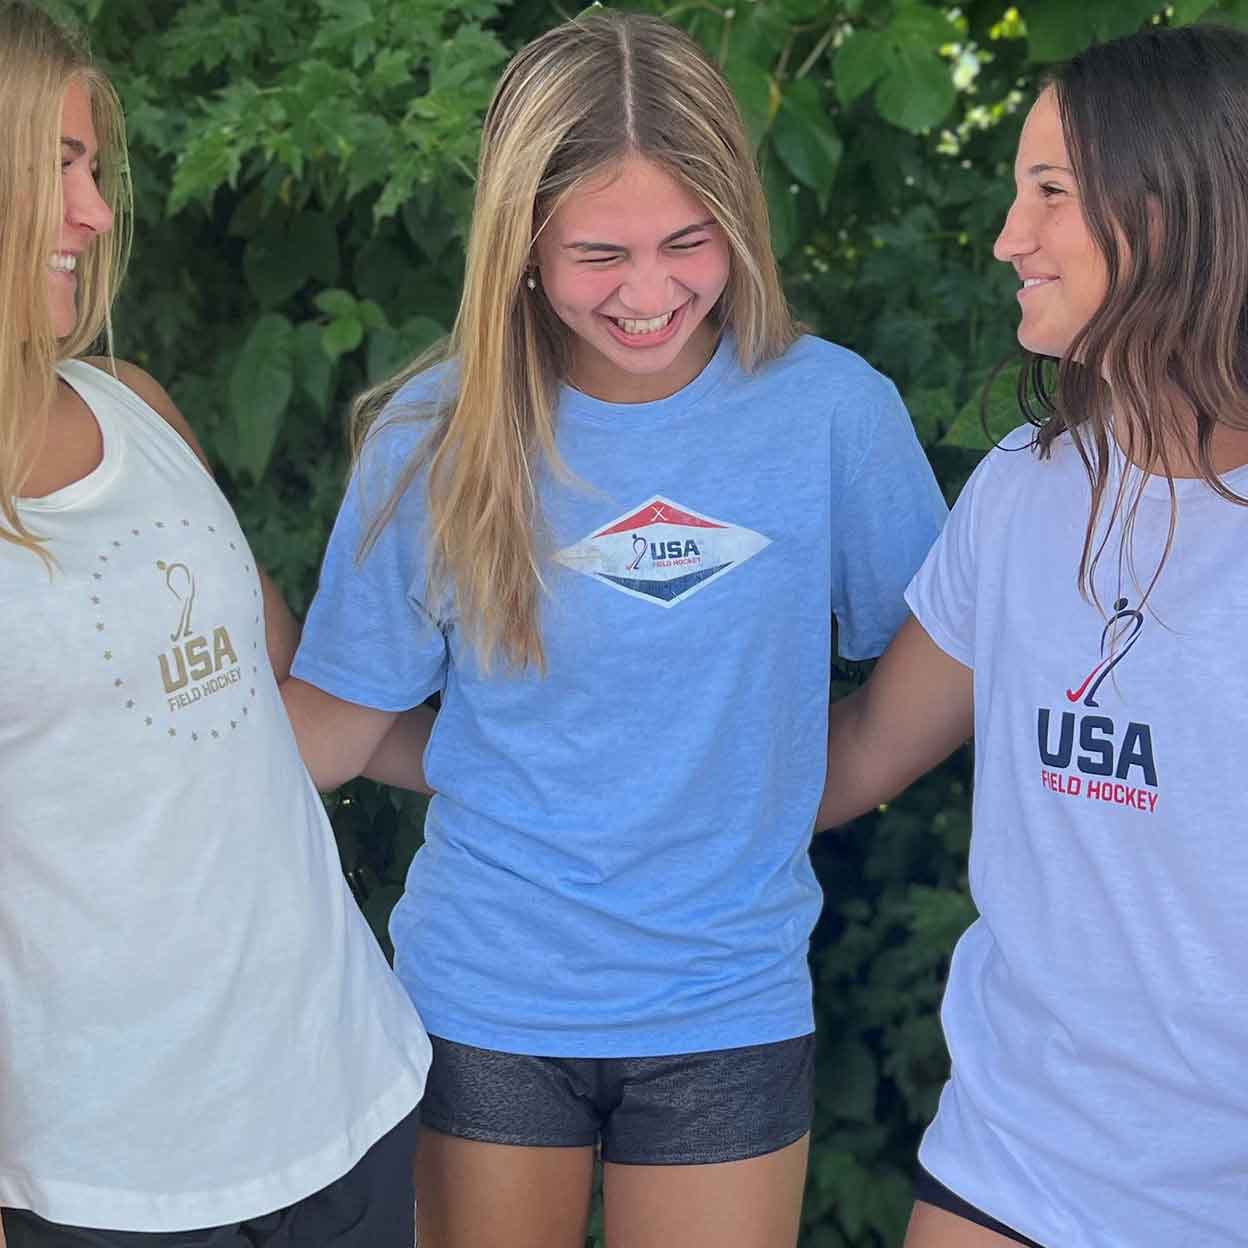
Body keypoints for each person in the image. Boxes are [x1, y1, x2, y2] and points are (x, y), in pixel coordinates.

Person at [281, 10, 947, 1248]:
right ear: (519, 246)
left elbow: (941, 674)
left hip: (729, 999)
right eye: (598, 254)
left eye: (688, 242)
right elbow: (329, 725)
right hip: (486, 997)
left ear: (739, 219)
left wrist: (769, 789)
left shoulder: (835, 414)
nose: (650, 294)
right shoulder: (436, 433)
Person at [0, 5, 431, 1246]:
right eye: (55, 169)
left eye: (94, 168)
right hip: (110, 1179)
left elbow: (275, 707)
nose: (92, 212)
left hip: (339, 1087)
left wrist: (512, 761)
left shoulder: (131, 403)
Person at [817, 23, 1248, 1248]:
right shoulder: (1020, 488)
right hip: (1014, 1166)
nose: (1009, 238)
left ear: (1172, 213)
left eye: (1050, 194)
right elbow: (853, 759)